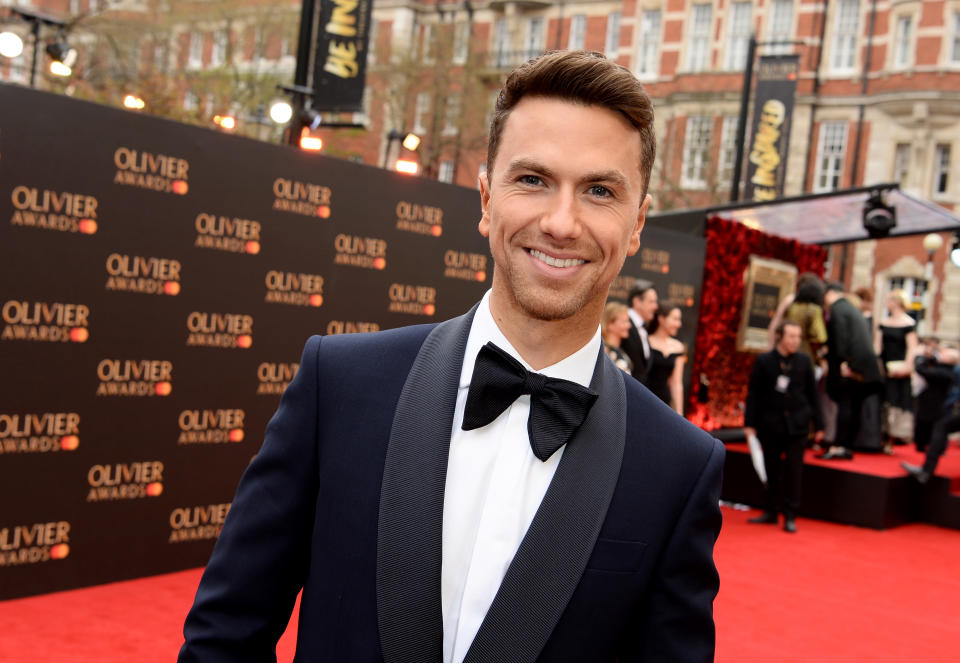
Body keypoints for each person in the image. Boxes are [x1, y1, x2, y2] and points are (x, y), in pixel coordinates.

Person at [178, 51, 724, 663]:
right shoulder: (342, 386)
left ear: (637, 222)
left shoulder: (679, 465)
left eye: (599, 191)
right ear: (487, 198)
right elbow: (225, 634)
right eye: (533, 180)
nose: (562, 222)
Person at [744, 321, 825, 533]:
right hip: (770, 424)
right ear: (780, 336)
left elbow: (813, 395)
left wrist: (819, 425)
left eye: (798, 337)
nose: (795, 341)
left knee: (793, 470)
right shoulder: (764, 361)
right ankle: (770, 511)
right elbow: (754, 394)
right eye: (791, 336)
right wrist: (749, 424)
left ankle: (790, 515)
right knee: (771, 469)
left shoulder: (804, 361)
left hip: (797, 426)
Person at [819, 282, 883, 460]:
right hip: (864, 367)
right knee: (853, 406)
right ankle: (846, 446)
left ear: (829, 293)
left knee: (846, 405)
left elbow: (840, 338)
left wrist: (843, 363)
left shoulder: (838, 309)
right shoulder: (851, 309)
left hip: (851, 367)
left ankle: (839, 446)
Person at [902, 347, 960, 483]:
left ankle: (926, 471)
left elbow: (921, 368)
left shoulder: (949, 372)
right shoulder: (948, 370)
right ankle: (926, 470)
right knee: (942, 426)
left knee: (942, 425)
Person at [875, 289, 919, 453]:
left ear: (897, 302)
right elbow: (878, 347)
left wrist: (907, 367)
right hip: (886, 368)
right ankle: (882, 435)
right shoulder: (884, 322)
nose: (887, 303)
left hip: (900, 370)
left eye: (889, 300)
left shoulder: (908, 324)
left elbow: (911, 348)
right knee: (885, 401)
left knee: (897, 402)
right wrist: (878, 366)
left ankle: (893, 437)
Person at [646, 303, 687, 416]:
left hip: (664, 402)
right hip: (645, 397)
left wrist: (679, 413)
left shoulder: (678, 347)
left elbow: (676, 382)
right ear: (661, 319)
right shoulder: (646, 342)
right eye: (675, 319)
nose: (679, 324)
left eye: (679, 320)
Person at [620, 281, 658, 383]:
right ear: (637, 301)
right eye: (651, 302)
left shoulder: (643, 329)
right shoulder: (622, 324)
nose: (656, 307)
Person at [602, 301, 633, 374]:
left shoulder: (619, 350)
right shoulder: (605, 350)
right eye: (624, 322)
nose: (629, 325)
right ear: (610, 324)